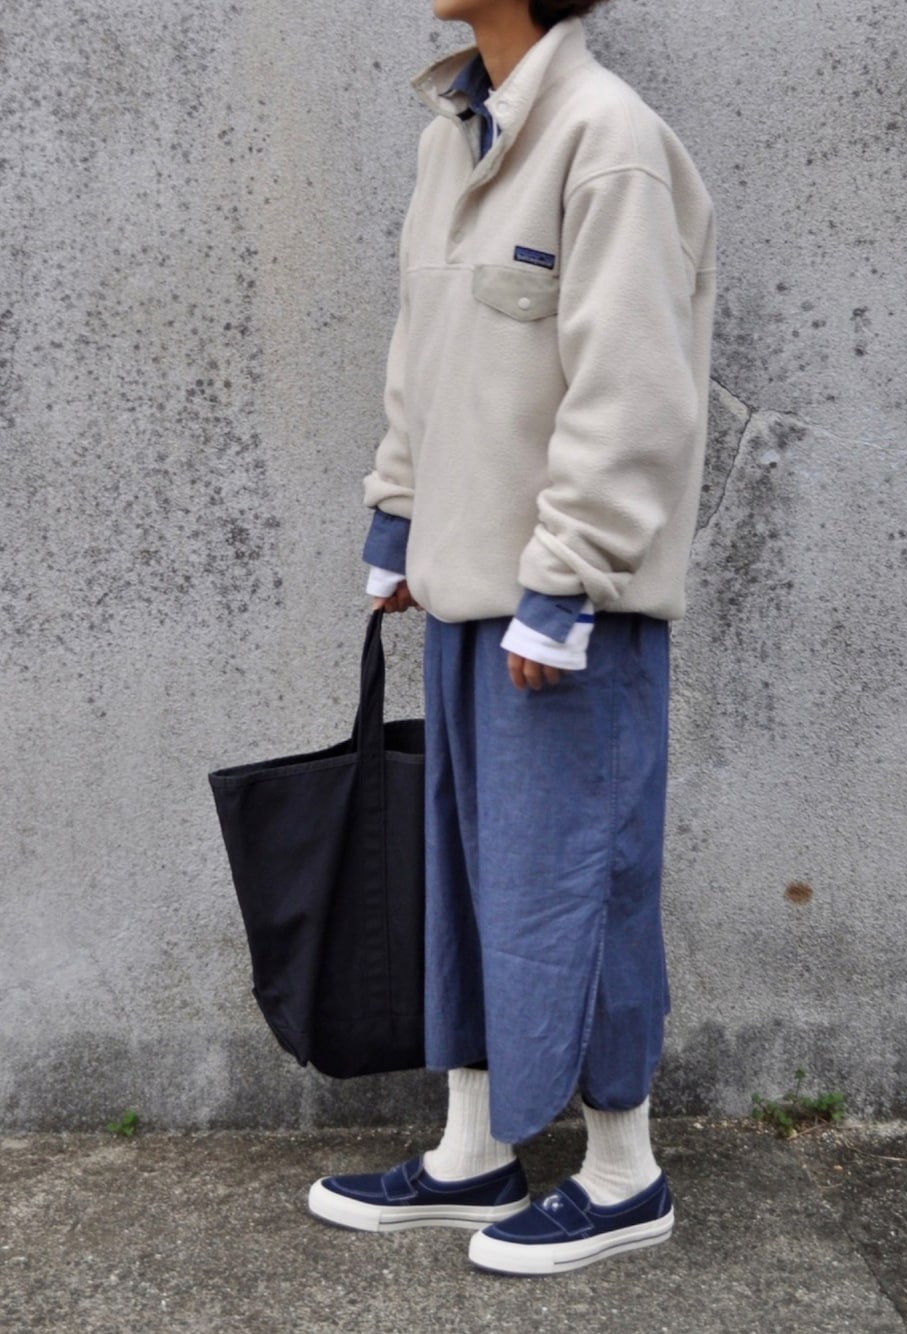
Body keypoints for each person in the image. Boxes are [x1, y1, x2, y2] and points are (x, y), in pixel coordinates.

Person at [309, 0, 715, 1276]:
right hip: (465, 586)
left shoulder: (608, 137)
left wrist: (567, 585)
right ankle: (472, 1150)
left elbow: (634, 388)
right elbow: (421, 351)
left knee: (581, 884)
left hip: (562, 610)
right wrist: (397, 513)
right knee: (475, 878)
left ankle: (624, 1173)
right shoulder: (456, 134)